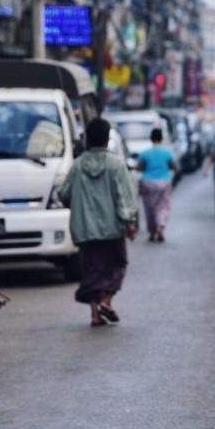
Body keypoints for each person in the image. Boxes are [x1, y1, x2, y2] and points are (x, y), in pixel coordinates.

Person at [58, 119, 139, 327]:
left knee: (91, 272)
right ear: (106, 139)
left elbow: (63, 194)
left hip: (85, 230)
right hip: (112, 230)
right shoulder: (116, 164)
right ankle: (106, 301)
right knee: (117, 266)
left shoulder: (77, 166)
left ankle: (95, 313)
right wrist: (130, 222)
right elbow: (124, 198)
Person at [137, 127, 178, 242]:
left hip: (148, 183)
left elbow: (139, 167)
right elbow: (175, 167)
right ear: (161, 138)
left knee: (149, 208)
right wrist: (172, 179)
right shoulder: (167, 152)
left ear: (151, 139)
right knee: (163, 207)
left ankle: (152, 231)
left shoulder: (145, 153)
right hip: (164, 183)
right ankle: (160, 227)